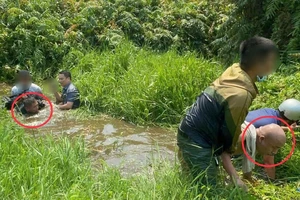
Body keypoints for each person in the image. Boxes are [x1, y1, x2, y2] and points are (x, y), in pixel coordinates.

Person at [177, 36, 278, 190]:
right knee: (208, 191)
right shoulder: (241, 94)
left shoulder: (234, 71)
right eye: (271, 61)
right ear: (259, 64)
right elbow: (229, 135)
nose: (272, 65)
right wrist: (234, 174)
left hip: (188, 129)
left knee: (189, 182)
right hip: (197, 141)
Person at [243, 98, 300, 179]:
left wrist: (287, 128)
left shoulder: (270, 112)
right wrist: (272, 181)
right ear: (289, 120)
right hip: (234, 142)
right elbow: (268, 161)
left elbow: (271, 126)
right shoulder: (270, 126)